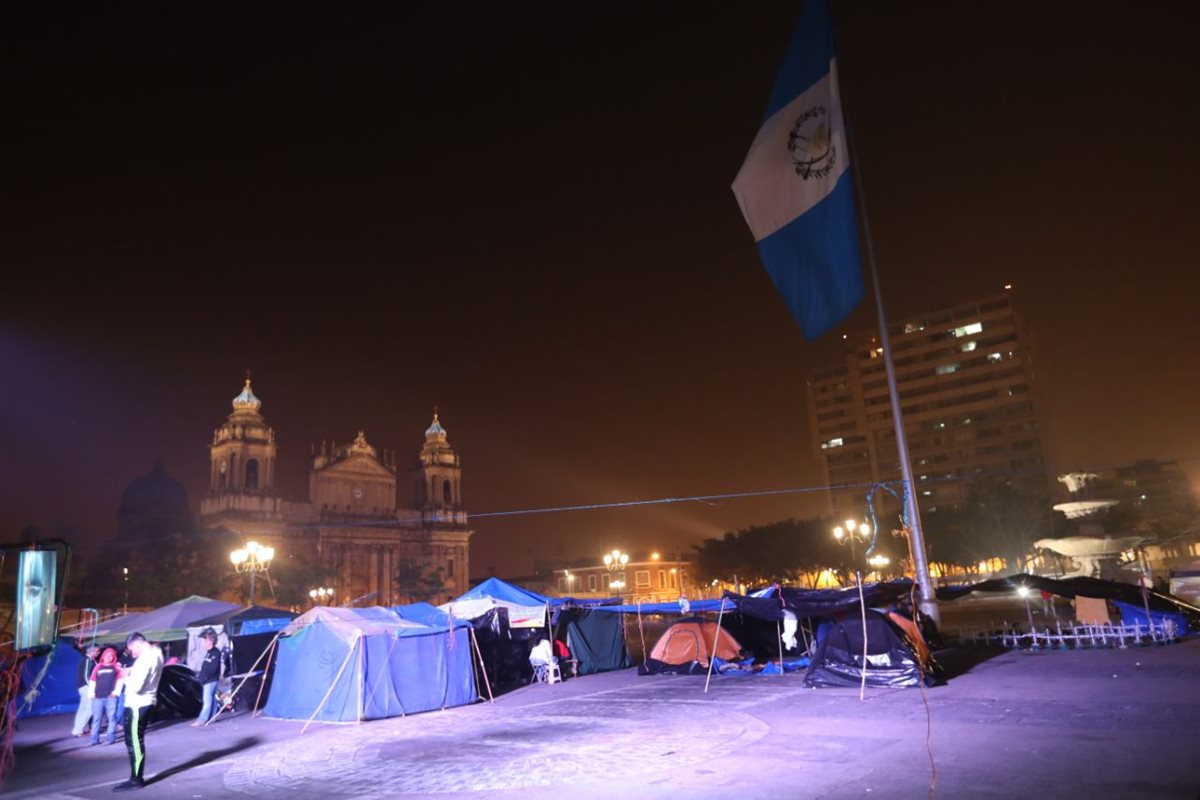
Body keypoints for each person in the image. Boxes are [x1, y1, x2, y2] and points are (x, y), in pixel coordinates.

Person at [114, 632, 163, 792]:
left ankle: (136, 779)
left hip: (137, 704)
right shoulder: (156, 653)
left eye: (133, 650)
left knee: (134, 742)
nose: (133, 654)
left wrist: (124, 675)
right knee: (136, 740)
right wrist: (131, 671)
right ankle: (136, 777)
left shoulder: (145, 659)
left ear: (137, 645)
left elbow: (136, 686)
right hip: (145, 702)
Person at [89, 647, 124, 746]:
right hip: (97, 697)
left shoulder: (116, 667)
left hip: (110, 698)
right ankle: (94, 740)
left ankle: (110, 738)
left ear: (113, 657)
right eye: (107, 655)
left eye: (111, 656)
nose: (108, 657)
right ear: (103, 656)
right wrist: (91, 693)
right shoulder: (98, 667)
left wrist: (116, 692)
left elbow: (120, 680)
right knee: (96, 718)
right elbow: (92, 680)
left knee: (112, 718)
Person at [192, 629, 221, 727]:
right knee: (212, 699)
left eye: (206, 640)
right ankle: (211, 718)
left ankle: (202, 720)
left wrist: (204, 678)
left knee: (207, 700)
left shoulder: (216, 653)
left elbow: (213, 668)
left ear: (211, 642)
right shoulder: (208, 652)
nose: (204, 642)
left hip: (211, 680)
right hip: (207, 680)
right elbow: (205, 667)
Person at [71, 644, 99, 738]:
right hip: (86, 687)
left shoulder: (90, 661)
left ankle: (77, 729)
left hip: (84, 687)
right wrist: (92, 687)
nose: (98, 653)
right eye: (97, 651)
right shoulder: (87, 660)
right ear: (91, 651)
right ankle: (78, 729)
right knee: (89, 709)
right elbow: (86, 676)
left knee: (83, 709)